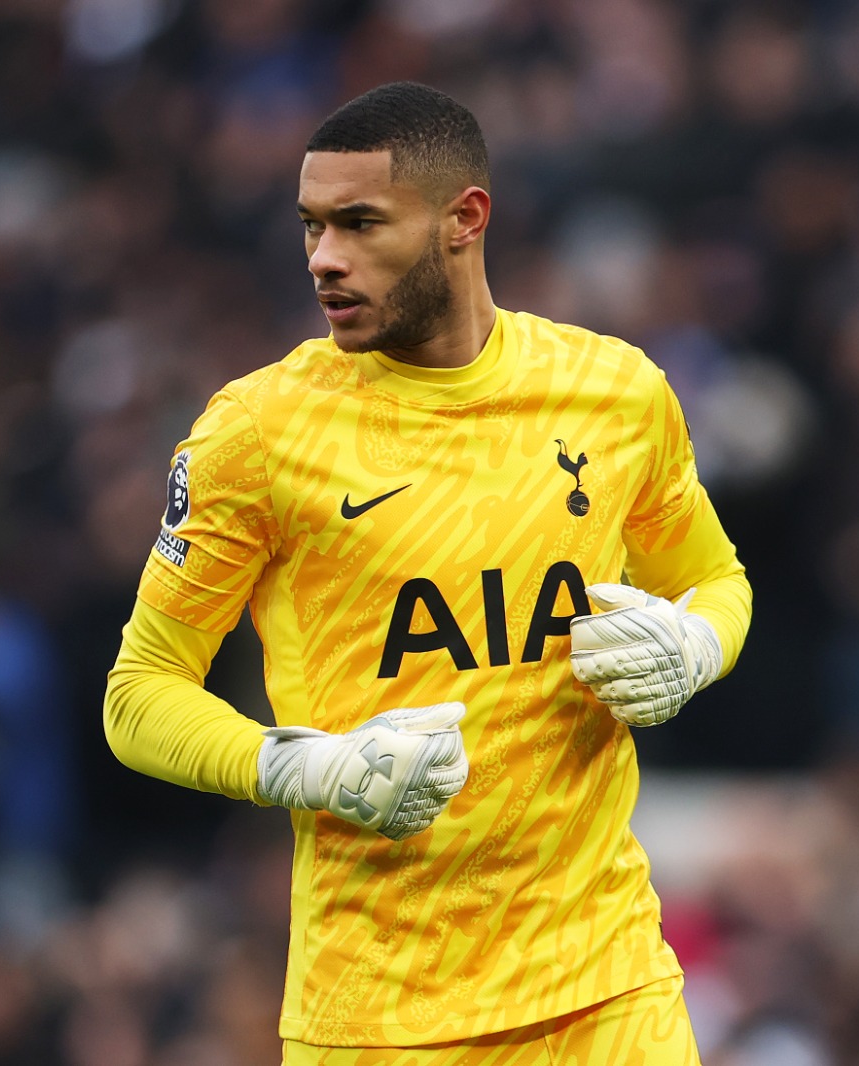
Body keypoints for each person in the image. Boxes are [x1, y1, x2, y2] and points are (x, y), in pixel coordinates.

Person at [104, 81, 751, 1065]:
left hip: (606, 988)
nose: (325, 257)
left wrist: (695, 646)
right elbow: (139, 695)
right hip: (380, 1020)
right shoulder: (257, 433)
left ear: (465, 220)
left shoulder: (614, 394)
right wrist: (305, 764)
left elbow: (715, 575)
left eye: (360, 224)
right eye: (312, 226)